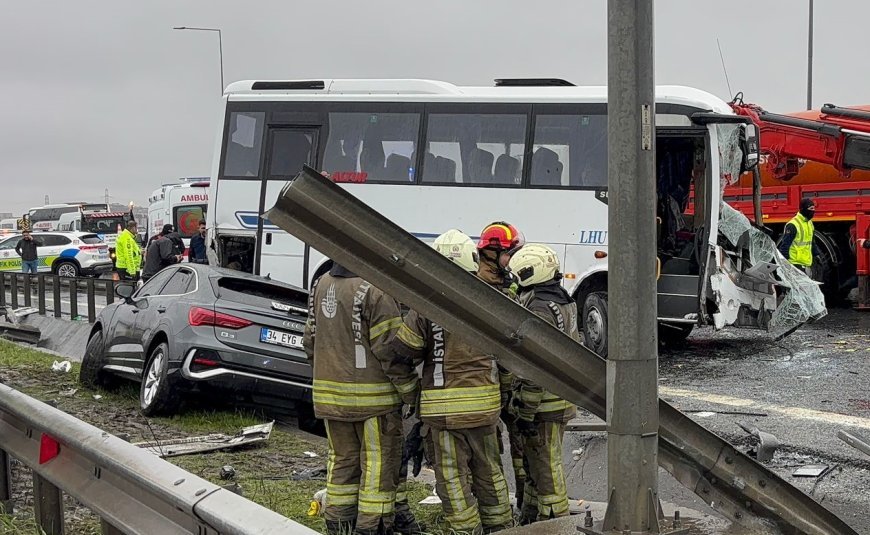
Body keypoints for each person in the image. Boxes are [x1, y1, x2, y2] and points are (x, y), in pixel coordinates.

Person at [392, 230, 512, 534]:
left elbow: (403, 353)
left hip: (444, 415)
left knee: (452, 479)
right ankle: (501, 527)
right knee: (490, 472)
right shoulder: (492, 301)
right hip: (486, 411)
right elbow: (510, 360)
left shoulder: (427, 306)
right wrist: (504, 395)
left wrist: (412, 396)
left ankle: (465, 530)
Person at [303, 263, 419, 535]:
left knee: (342, 462)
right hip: (374, 402)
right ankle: (371, 528)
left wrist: (327, 374)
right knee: (378, 467)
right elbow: (390, 351)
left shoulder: (321, 284)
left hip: (330, 398)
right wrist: (410, 390)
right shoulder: (376, 290)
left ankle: (338, 525)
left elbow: (310, 340)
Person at [506, 244, 578, 524]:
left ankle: (556, 522)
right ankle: (532, 518)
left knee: (547, 467)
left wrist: (524, 410)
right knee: (538, 465)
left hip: (544, 403)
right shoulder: (563, 299)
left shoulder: (538, 307)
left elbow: (535, 367)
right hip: (562, 397)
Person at [476, 221, 526, 513]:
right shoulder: (482, 290)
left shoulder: (505, 286)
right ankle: (493, 514)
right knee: (489, 455)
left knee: (520, 452)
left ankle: (521, 508)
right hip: (491, 386)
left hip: (508, 385)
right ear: (493, 253)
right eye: (510, 252)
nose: (513, 259)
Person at [777, 198, 820, 277]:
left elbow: (812, 242)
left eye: (814, 208)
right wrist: (785, 264)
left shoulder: (809, 223)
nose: (813, 211)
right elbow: (785, 246)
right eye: (811, 209)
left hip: (805, 263)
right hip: (794, 263)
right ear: (803, 209)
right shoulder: (793, 224)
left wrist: (816, 255)